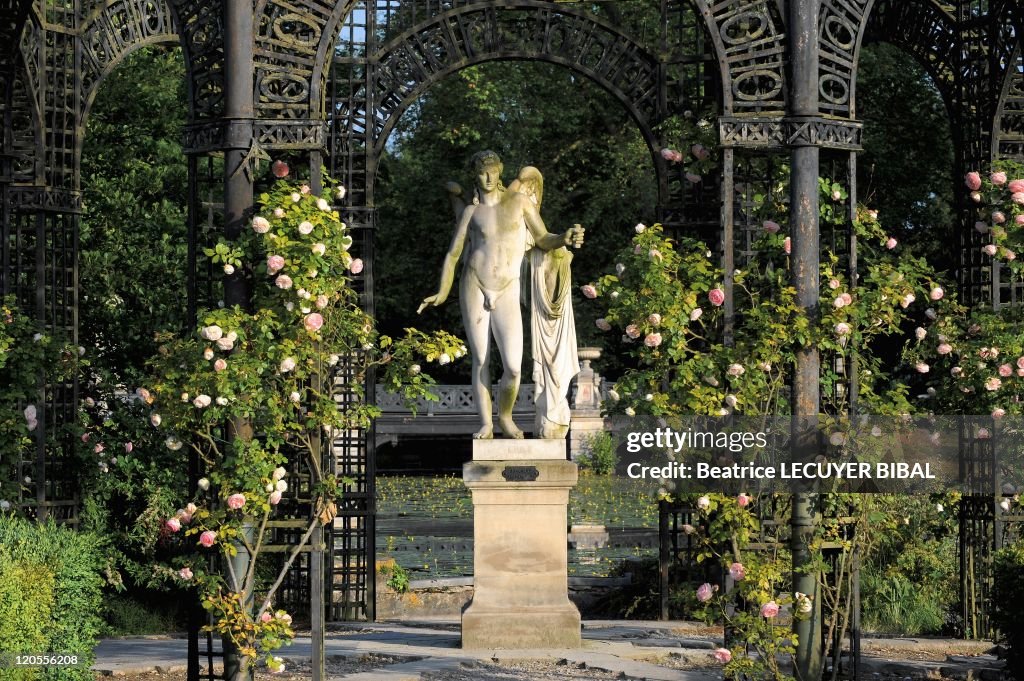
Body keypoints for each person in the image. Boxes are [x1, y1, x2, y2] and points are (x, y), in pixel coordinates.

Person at [419, 151, 584, 439]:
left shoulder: (519, 202)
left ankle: (505, 416)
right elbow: (454, 253)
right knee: (481, 359)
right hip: (474, 284)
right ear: (475, 175)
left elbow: (543, 238)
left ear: (500, 170)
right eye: (482, 172)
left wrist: (564, 237)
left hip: (507, 287)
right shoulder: (471, 213)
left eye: (493, 171)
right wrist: (443, 291)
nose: (488, 177)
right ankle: (486, 423)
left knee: (513, 367)